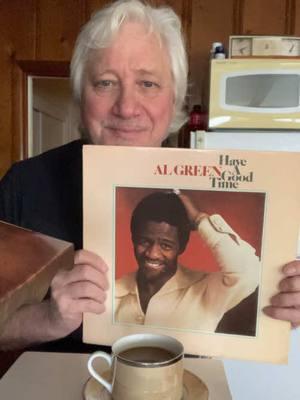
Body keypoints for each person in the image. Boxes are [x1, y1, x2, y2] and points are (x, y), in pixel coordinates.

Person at [0, 0, 299, 352]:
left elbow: (254, 291)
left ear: (174, 100)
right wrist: (46, 318)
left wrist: (286, 303)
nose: (126, 107)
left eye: (147, 83)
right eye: (106, 82)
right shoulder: (25, 184)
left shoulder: (205, 182)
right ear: (81, 96)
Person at [115, 190, 259, 333]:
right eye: (144, 242)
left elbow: (249, 272)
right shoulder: (114, 292)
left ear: (181, 247)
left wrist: (199, 219)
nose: (152, 254)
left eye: (166, 245)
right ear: (133, 240)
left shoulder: (205, 289)